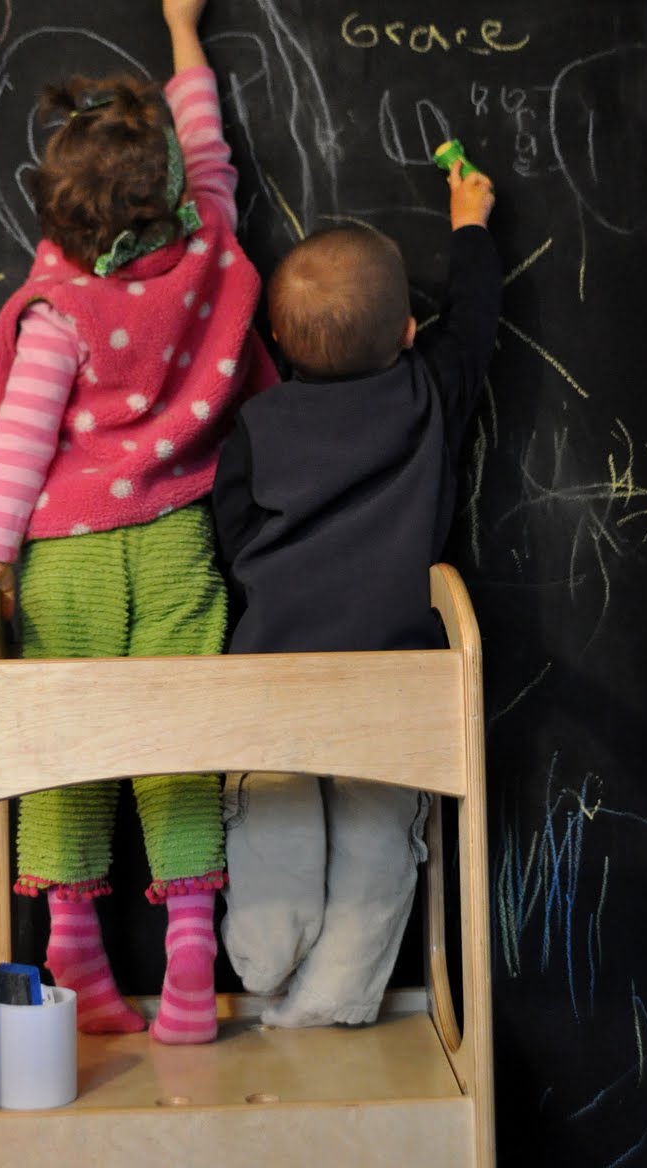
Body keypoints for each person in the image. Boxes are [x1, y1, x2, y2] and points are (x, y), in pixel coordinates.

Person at [0, 0, 275, 1045]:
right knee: (176, 737)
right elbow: (210, 146)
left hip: (68, 553)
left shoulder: (56, 305)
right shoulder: (207, 251)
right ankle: (192, 952)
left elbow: (19, 442)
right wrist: (183, 29)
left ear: (59, 211)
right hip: (180, 532)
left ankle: (75, 952)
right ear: (168, 196)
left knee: (66, 742)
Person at [211, 165, 500, 1028]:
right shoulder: (428, 391)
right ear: (411, 329)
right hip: (393, 669)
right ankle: (335, 1003)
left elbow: (231, 529)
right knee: (380, 845)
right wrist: (469, 223)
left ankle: (262, 956)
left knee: (275, 810)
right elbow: (479, 320)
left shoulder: (258, 426)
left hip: (275, 665)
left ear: (277, 338)